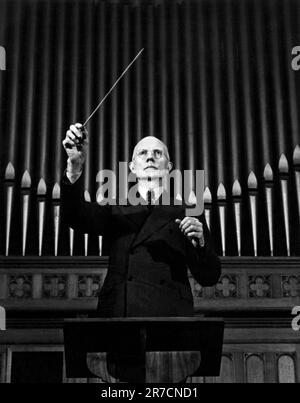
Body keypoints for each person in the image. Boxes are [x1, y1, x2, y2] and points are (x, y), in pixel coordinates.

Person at [61, 123, 221, 382]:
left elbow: (210, 276)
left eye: (158, 153)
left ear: (169, 169)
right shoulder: (114, 207)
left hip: (170, 324)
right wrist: (75, 167)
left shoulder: (188, 211)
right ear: (132, 167)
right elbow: (75, 216)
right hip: (120, 320)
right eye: (142, 153)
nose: (150, 156)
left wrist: (201, 243)